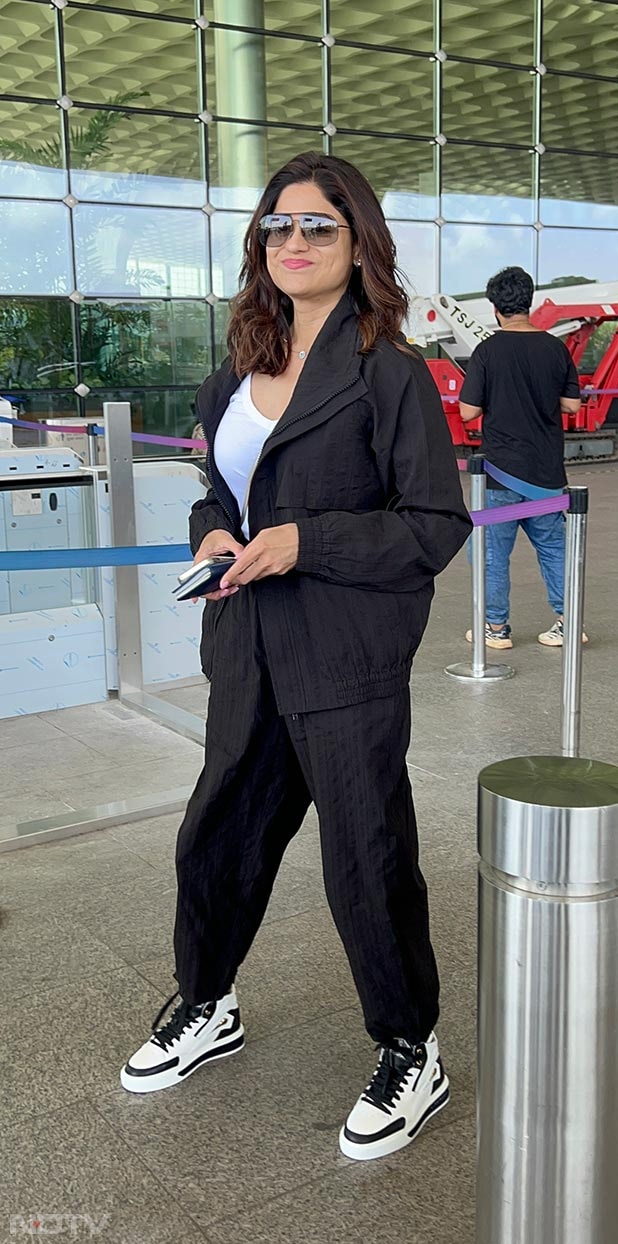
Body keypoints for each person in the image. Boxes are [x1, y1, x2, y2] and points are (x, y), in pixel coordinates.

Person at [121, 151, 472, 1161]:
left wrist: (306, 540)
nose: (295, 242)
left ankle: (410, 1045)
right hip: (247, 643)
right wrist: (211, 533)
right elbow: (216, 489)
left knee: (364, 854)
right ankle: (206, 1000)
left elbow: (432, 522)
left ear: (357, 240)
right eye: (278, 226)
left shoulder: (387, 370)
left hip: (344, 650)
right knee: (217, 833)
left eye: (317, 225)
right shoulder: (239, 361)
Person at [459, 265, 585, 649]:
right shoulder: (555, 348)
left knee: (492, 551)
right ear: (528, 303)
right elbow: (572, 404)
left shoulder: (487, 350)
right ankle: (569, 622)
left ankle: (496, 630)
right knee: (554, 549)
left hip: (500, 474)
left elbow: (468, 412)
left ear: (495, 307)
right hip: (546, 473)